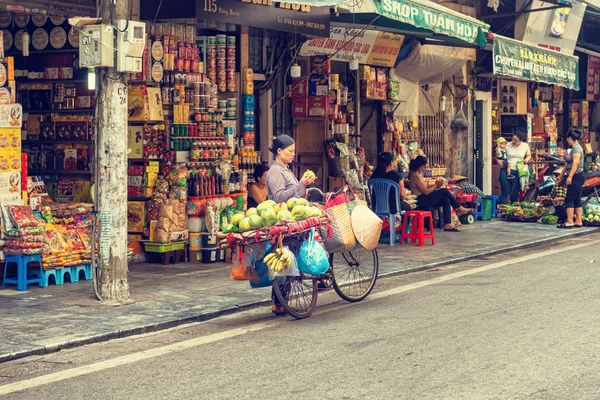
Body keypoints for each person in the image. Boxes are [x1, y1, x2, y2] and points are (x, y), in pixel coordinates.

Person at [266, 135, 315, 315]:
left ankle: (280, 301)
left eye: (294, 151)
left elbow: (294, 194)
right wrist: (301, 184)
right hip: (283, 221)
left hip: (292, 219)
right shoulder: (275, 172)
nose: (293, 154)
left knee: (290, 257)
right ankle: (279, 301)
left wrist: (303, 188)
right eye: (290, 151)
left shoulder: (286, 169)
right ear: (279, 151)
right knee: (285, 259)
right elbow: (279, 197)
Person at [409, 156, 473, 232]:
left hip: (424, 198)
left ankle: (447, 224)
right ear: (422, 166)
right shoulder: (416, 175)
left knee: (446, 199)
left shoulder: (420, 175)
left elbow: (425, 187)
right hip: (420, 200)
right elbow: (426, 191)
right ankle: (459, 208)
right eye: (427, 164)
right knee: (444, 191)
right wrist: (436, 186)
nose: (427, 166)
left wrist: (436, 184)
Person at [558, 129, 585, 228]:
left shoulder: (576, 148)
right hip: (576, 176)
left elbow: (576, 163)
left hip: (576, 176)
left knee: (569, 199)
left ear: (570, 138)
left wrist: (570, 176)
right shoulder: (574, 148)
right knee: (577, 199)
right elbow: (567, 164)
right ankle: (578, 221)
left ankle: (569, 221)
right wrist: (561, 176)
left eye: (567, 139)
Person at [499, 131, 532, 204]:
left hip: (518, 170)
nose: (513, 142)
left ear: (520, 140)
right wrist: (498, 160)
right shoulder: (507, 145)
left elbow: (529, 155)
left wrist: (526, 159)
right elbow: (499, 155)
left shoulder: (525, 146)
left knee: (514, 192)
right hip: (506, 169)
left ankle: (512, 210)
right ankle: (502, 209)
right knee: (505, 190)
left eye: (516, 141)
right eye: (512, 139)